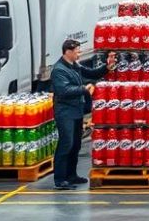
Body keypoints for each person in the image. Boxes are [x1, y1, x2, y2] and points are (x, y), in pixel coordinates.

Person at [51, 39, 115, 191]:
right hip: (65, 112)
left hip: (76, 110)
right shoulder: (59, 70)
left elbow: (91, 73)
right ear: (68, 51)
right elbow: (64, 91)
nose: (79, 54)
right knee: (66, 144)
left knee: (76, 145)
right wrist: (83, 89)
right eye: (77, 51)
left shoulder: (74, 65)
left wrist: (107, 67)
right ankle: (60, 179)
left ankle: (72, 175)